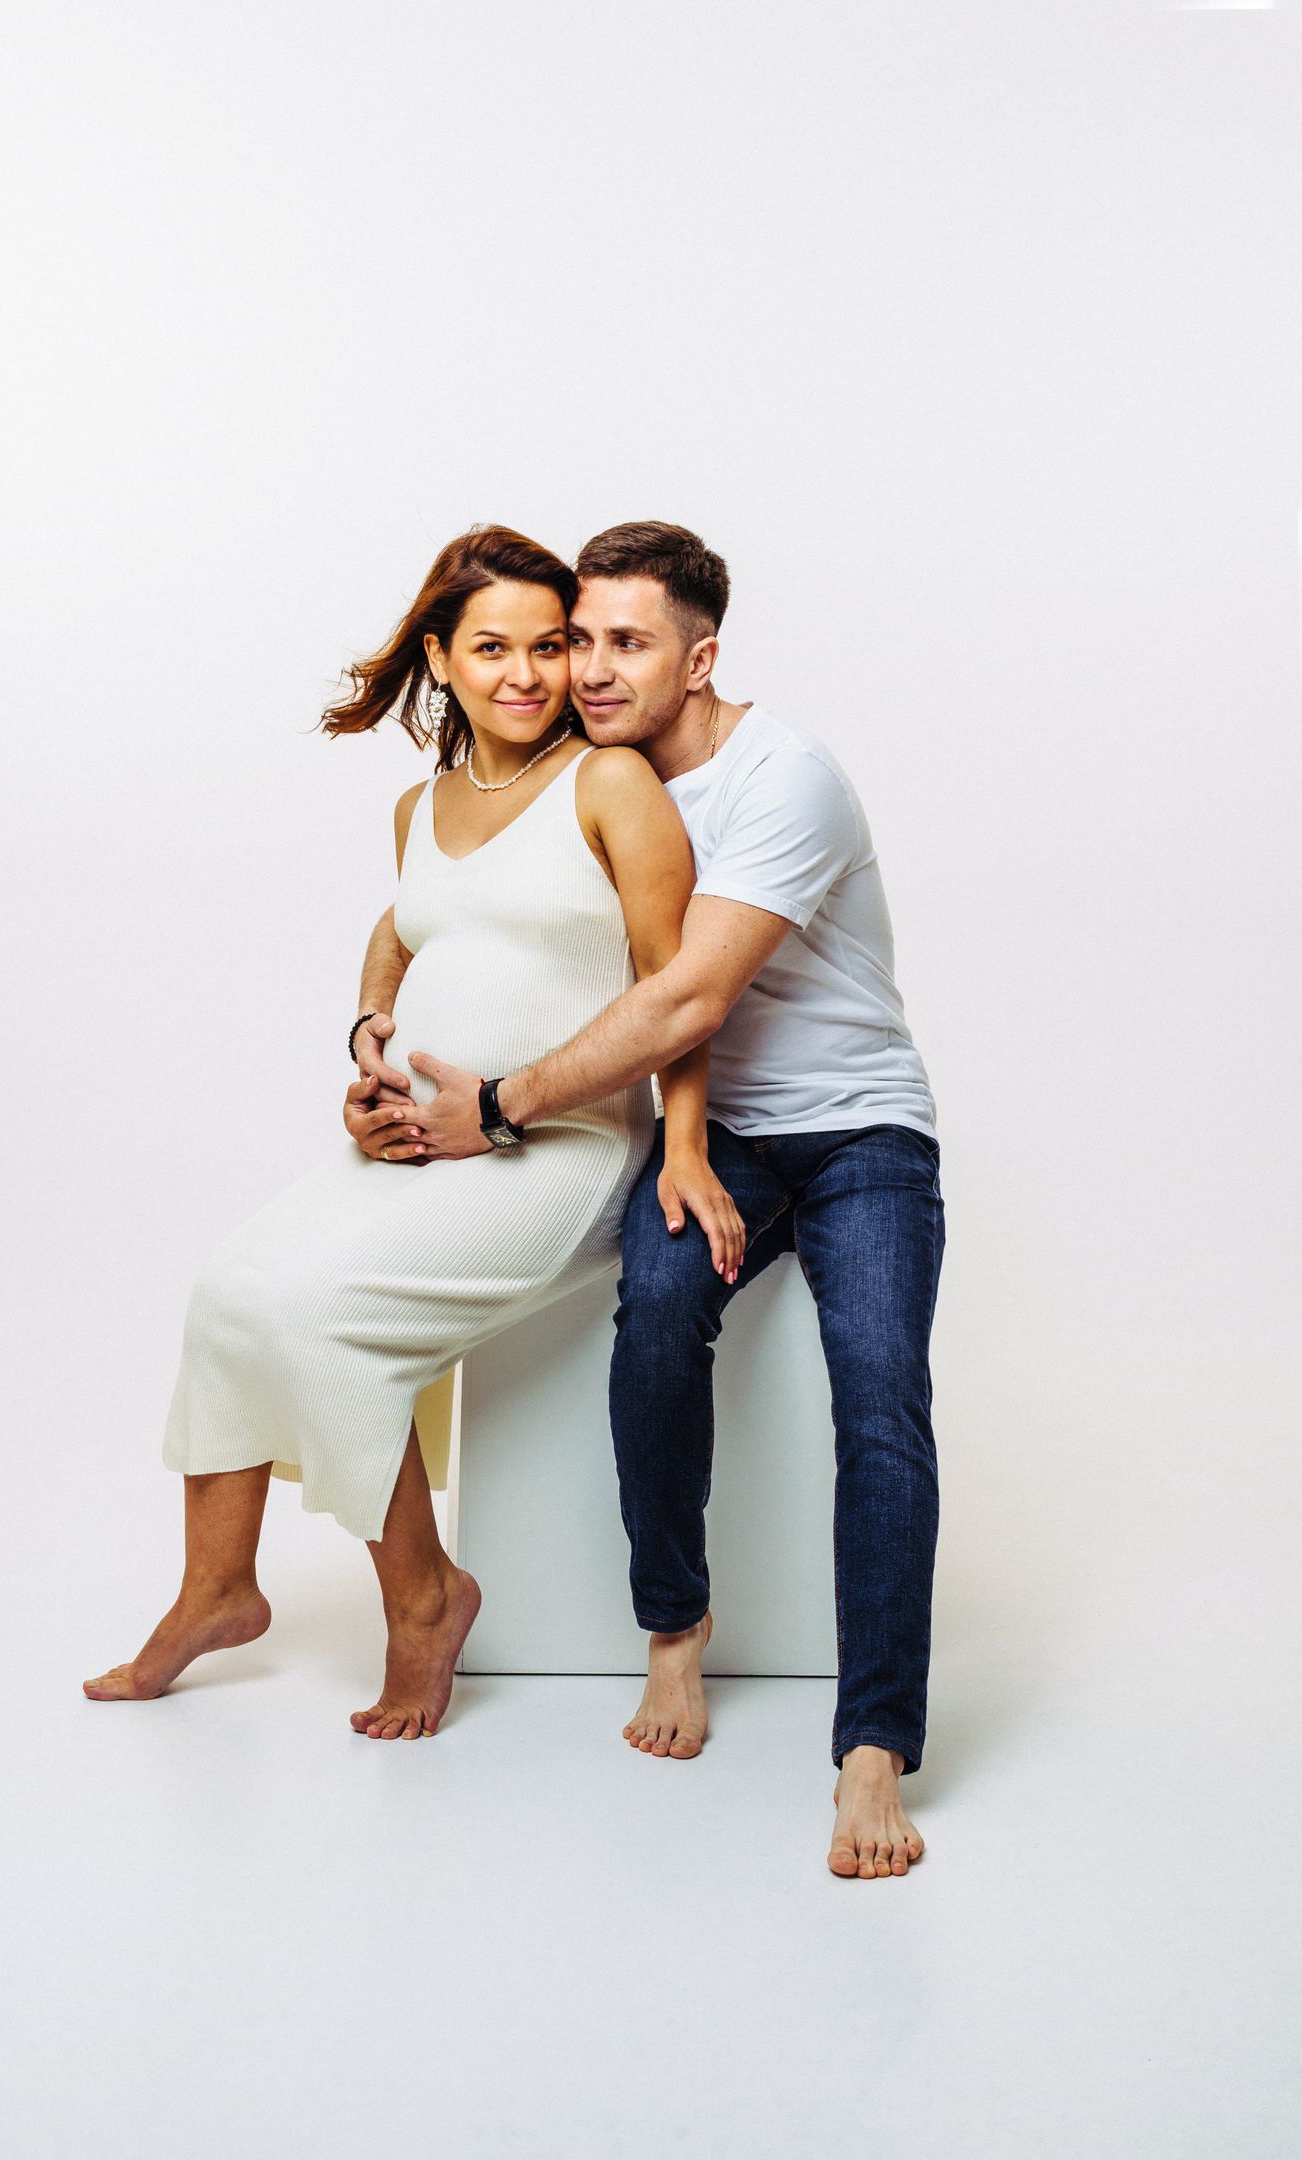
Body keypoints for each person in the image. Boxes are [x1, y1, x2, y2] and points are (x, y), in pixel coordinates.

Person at [348, 522, 944, 1878]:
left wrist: (499, 1106)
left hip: (859, 1133)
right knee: (658, 1320)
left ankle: (874, 1744)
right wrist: (371, 1021)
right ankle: (675, 1631)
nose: (592, 668)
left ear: (702, 657)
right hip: (709, 1131)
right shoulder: (581, 770)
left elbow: (687, 998)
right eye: (580, 640)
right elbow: (419, 899)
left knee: (877, 1391)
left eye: (629, 642)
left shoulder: (783, 780)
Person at [83, 524, 745, 1735]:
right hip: (423, 1140)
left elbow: (677, 987)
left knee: (327, 1317)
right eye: (492, 648)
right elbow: (410, 926)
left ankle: (427, 1598)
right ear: (439, 659)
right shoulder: (421, 805)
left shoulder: (609, 784)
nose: (527, 674)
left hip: (564, 1153)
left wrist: (686, 1146)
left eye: (549, 646)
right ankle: (218, 1589)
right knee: (228, 1292)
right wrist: (368, 1045)